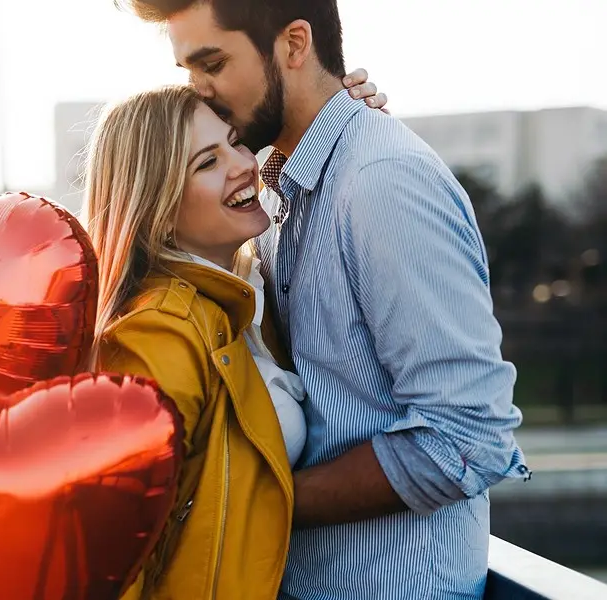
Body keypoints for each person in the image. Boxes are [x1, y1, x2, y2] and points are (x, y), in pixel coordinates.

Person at [118, 1, 529, 598]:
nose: (200, 91)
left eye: (212, 63)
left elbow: (467, 438)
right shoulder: (280, 185)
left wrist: (253, 506)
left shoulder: (380, 180)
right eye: (188, 71)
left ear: (293, 44)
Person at [83, 77, 387, 597]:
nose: (244, 163)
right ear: (155, 205)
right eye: (207, 162)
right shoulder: (159, 333)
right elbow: (110, 554)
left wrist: (346, 129)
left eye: (235, 140)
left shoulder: (244, 294)